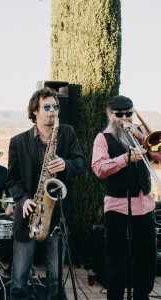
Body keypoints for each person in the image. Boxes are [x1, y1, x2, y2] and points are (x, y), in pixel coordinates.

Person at [6, 87, 86, 300]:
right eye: (47, 107)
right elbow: (12, 179)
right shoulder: (18, 142)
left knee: (56, 278)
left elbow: (81, 164)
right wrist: (23, 199)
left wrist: (66, 164)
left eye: (55, 106)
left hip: (57, 214)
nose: (53, 111)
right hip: (28, 214)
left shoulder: (67, 133)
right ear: (35, 111)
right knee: (18, 279)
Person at [92, 95, 161, 300]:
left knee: (146, 257)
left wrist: (141, 138)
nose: (124, 118)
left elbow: (158, 156)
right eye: (119, 114)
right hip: (117, 207)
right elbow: (99, 168)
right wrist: (125, 159)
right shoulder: (102, 138)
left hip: (145, 205)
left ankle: (142, 295)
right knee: (116, 258)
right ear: (109, 114)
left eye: (128, 114)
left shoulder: (142, 132)